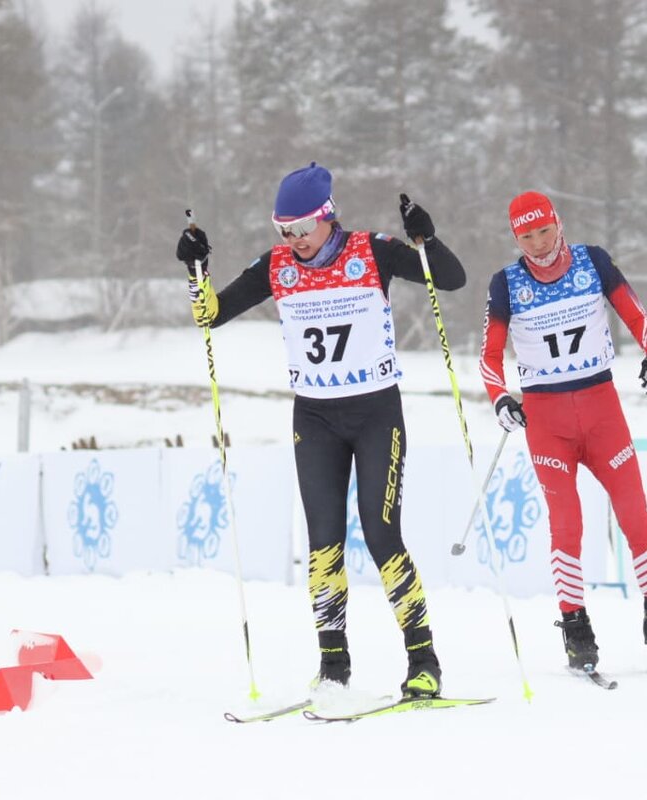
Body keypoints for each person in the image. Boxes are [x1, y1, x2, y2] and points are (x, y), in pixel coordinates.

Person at [175, 163, 466, 698]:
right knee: (323, 543)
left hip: (376, 412)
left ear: (327, 217)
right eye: (282, 229)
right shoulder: (277, 265)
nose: (292, 240)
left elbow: (449, 278)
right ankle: (334, 664)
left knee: (381, 537)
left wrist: (425, 237)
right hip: (315, 417)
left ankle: (424, 660)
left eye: (300, 229)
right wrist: (196, 270)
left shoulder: (370, 250)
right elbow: (210, 315)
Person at [478, 190, 647, 672]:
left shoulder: (592, 261)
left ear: (558, 223)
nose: (539, 244)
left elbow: (636, 314)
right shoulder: (506, 284)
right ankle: (576, 629)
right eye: (526, 237)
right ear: (516, 238)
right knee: (567, 525)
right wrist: (501, 398)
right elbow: (489, 355)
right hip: (547, 423)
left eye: (544, 231)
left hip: (601, 410)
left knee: (635, 515)